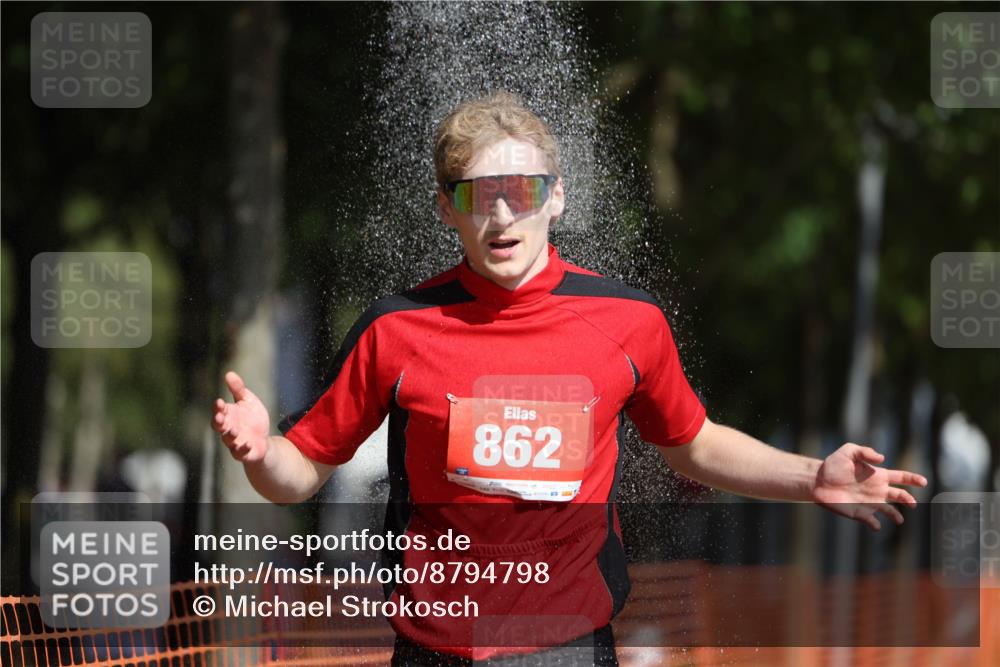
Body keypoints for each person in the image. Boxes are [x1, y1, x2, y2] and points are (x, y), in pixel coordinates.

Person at [212, 91, 928, 666]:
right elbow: (300, 471)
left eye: (521, 190)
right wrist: (260, 450)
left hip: (568, 646)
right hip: (434, 646)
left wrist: (814, 476)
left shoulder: (628, 321)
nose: (500, 214)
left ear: (556, 197)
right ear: (445, 209)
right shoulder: (393, 329)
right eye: (475, 194)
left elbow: (694, 443)